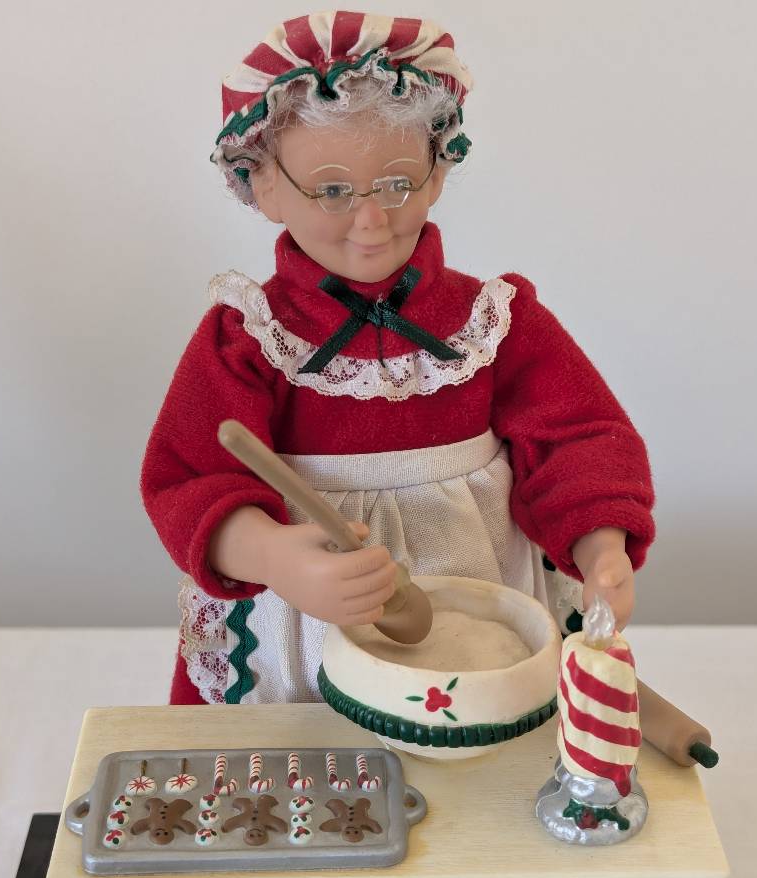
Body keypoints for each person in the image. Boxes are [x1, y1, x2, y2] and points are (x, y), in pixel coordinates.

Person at [141, 11, 655, 707]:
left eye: (396, 183)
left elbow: (579, 437)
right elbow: (189, 475)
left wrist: (601, 548)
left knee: (483, 730)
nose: (371, 219)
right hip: (303, 622)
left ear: (436, 172)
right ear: (262, 184)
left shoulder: (492, 321)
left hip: (478, 605)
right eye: (332, 190)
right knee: (295, 747)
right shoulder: (249, 336)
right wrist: (271, 555)